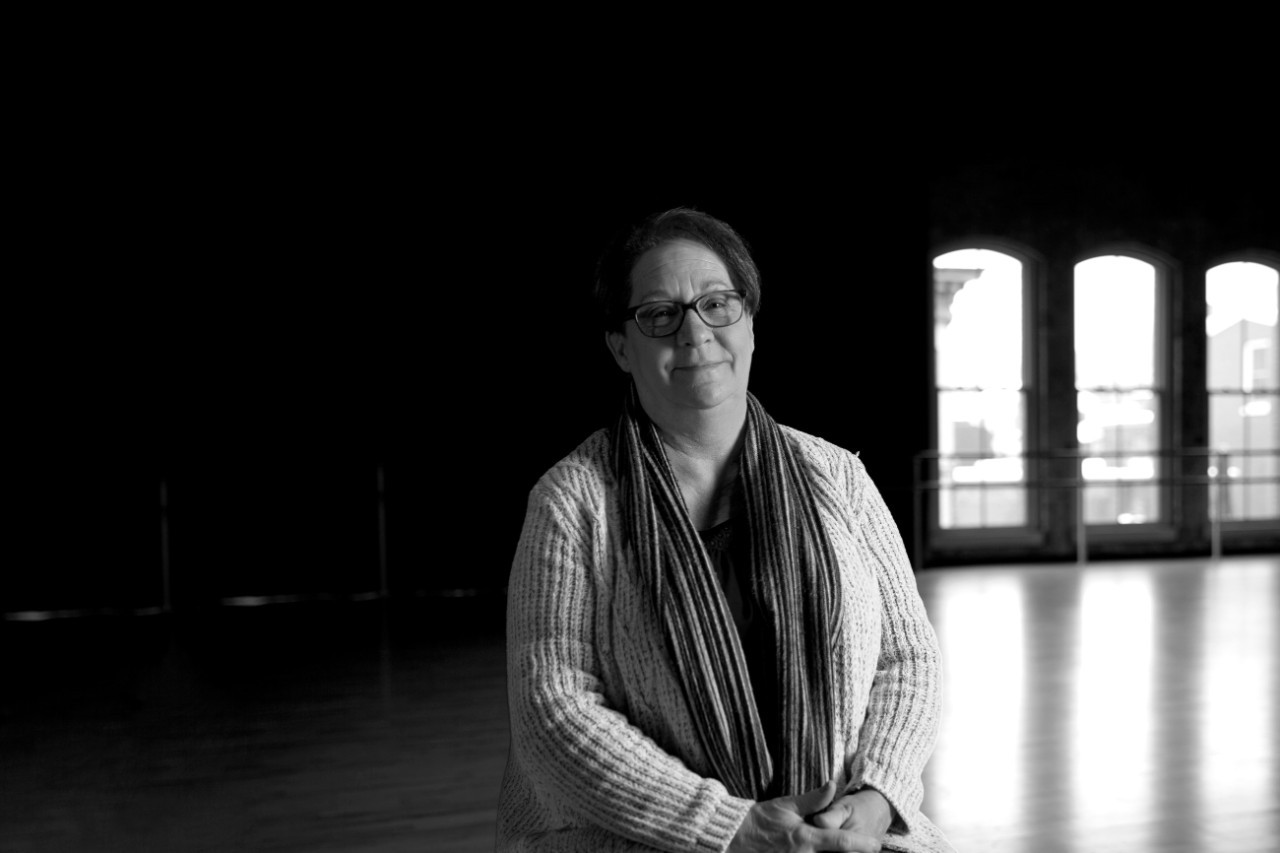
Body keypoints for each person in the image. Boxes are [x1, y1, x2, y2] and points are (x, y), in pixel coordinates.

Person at [497, 208, 953, 853]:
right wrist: (735, 829)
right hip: (639, 838)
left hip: (840, 829)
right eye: (660, 314)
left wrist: (877, 797)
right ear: (621, 347)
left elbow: (909, 659)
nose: (695, 333)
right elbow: (555, 710)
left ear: (750, 326)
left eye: (717, 304)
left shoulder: (838, 475)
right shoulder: (571, 503)